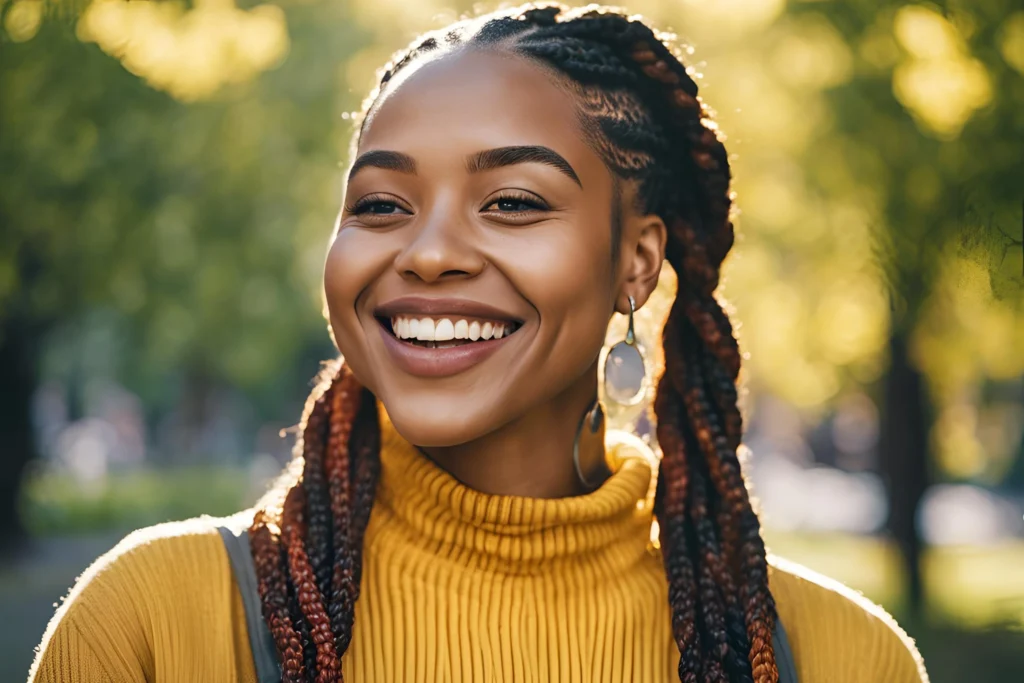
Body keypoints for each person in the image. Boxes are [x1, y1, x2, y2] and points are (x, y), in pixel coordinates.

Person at [29, 4, 930, 682]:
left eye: (514, 202)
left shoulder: (836, 655)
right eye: (382, 205)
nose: (425, 253)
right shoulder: (157, 623)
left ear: (637, 261)